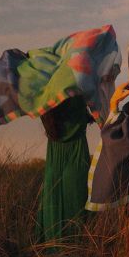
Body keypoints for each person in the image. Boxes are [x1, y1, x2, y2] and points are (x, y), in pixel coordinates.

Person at [37, 95, 92, 242]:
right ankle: (75, 252)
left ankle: (54, 251)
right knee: (77, 204)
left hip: (54, 162)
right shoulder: (79, 95)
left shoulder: (47, 102)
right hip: (77, 158)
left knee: (52, 205)